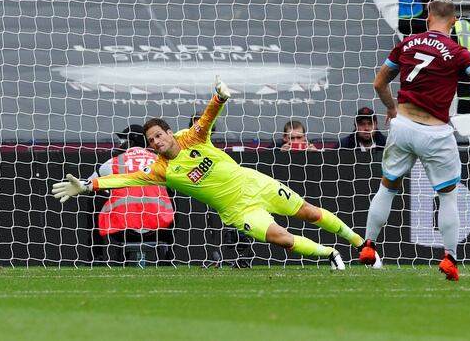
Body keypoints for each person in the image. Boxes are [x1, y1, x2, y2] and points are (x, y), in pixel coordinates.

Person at [52, 79, 364, 270]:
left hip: (255, 183)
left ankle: (361, 244)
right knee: (281, 239)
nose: (156, 142)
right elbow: (123, 179)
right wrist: (89, 185)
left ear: (170, 133)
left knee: (309, 213)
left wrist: (220, 98)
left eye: (159, 135)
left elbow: (207, 118)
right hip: (237, 210)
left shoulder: (192, 138)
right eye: (151, 140)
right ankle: (330, 254)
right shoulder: (160, 169)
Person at [359, 0, 470, 280]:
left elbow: (379, 83)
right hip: (435, 132)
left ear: (427, 18)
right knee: (448, 196)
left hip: (403, 126)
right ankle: (449, 259)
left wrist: (391, 108)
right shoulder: (458, 52)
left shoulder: (407, 43)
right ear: (454, 22)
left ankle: (368, 246)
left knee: (387, 187)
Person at [90, 125, 175, 266]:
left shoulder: (114, 162)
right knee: (171, 196)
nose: (119, 144)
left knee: (94, 196)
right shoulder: (162, 162)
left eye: (122, 140)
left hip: (122, 231)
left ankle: (96, 256)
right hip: (160, 229)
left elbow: (87, 183)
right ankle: (168, 255)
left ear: (131, 141)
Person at [188, 112, 254, 269]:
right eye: (196, 123)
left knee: (238, 221)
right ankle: (215, 256)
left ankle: (242, 256)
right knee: (208, 224)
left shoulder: (217, 149)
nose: (199, 127)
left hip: (225, 190)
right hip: (202, 191)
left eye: (202, 123)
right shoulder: (186, 148)